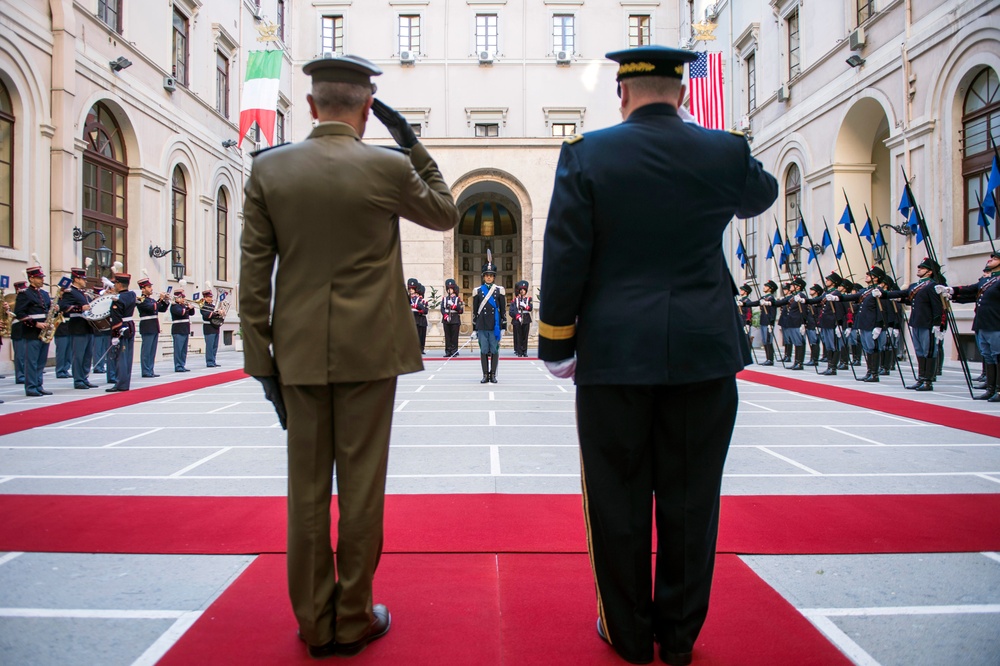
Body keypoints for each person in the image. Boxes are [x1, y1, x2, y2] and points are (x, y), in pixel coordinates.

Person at [537, 46, 778, 665]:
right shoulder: (722, 151)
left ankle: (626, 633)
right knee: (692, 498)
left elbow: (566, 255)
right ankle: (677, 637)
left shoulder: (586, 153)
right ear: (683, 93)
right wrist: (719, 147)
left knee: (617, 497)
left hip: (615, 353)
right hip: (703, 350)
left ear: (622, 93)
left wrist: (558, 343)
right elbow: (761, 195)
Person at [239, 54, 458, 659]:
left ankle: (315, 622)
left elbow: (254, 274)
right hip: (371, 352)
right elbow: (446, 212)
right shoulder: (386, 166)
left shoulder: (270, 170)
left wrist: (262, 361)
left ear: (310, 106)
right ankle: (354, 616)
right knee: (361, 490)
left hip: (299, 354)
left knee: (305, 492)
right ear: (367, 108)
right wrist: (409, 141)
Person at [873, 257, 944, 391]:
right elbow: (903, 294)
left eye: (922, 268)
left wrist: (937, 323)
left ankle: (928, 381)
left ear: (929, 272)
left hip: (927, 323)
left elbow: (937, 306)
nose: (919, 269)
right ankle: (921, 378)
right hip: (916, 321)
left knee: (928, 351)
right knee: (919, 351)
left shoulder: (932, 286)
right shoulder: (914, 286)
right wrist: (885, 294)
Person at [937, 251, 1000, 401]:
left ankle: (999, 389)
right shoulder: (985, 281)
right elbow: (971, 289)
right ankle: (990, 388)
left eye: (995, 258)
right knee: (988, 356)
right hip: (982, 323)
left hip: (996, 323)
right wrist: (951, 291)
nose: (990, 260)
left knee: (998, 357)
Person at [14, 265, 54, 397]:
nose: (42, 280)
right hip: (31, 332)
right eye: (39, 278)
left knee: (41, 361)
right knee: (31, 361)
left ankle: (38, 384)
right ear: (31, 278)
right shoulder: (25, 294)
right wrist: (36, 324)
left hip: (45, 332)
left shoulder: (44, 294)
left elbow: (48, 311)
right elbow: (19, 313)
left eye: (42, 277)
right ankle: (31, 387)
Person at [60, 267, 97, 389]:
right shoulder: (69, 292)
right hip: (78, 327)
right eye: (82, 279)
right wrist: (80, 308)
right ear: (76, 279)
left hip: (88, 326)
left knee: (88, 355)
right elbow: (64, 307)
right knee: (79, 355)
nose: (85, 281)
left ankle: (84, 377)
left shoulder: (83, 293)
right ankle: (78, 380)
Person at [472, 255, 506, 383]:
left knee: (494, 350)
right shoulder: (478, 291)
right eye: (486, 275)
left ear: (494, 277)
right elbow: (475, 312)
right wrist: (474, 328)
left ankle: (493, 375)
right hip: (482, 325)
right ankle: (485, 375)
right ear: (483, 276)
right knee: (484, 350)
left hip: (495, 326)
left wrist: (503, 327)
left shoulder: (499, 290)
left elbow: (503, 310)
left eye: (491, 275)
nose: (489, 277)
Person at [106, 273, 137, 392]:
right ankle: (125, 381)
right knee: (128, 357)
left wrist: (115, 334)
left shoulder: (118, 299)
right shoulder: (132, 295)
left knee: (121, 358)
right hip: (130, 326)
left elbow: (116, 318)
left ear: (119, 284)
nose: (114, 285)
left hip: (121, 328)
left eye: (115, 283)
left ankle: (121, 384)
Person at [136, 277, 169, 377]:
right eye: (149, 287)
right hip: (147, 326)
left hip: (154, 326)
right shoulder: (140, 299)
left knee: (152, 350)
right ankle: (146, 371)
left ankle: (150, 369)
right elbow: (152, 307)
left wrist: (165, 301)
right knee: (146, 350)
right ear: (143, 288)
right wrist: (160, 299)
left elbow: (161, 309)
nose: (151, 289)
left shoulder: (151, 299)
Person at [170, 290, 195, 372]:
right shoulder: (174, 306)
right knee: (178, 350)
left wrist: (191, 307)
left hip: (185, 329)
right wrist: (187, 307)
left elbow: (191, 313)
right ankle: (178, 366)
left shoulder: (183, 306)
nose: (183, 299)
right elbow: (181, 313)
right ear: (176, 298)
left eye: (183, 297)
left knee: (184, 350)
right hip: (178, 330)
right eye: (181, 297)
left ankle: (182, 364)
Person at [440, 278, 464, 357]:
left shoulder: (458, 299)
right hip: (446, 319)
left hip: (455, 319)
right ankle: (448, 351)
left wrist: (454, 306)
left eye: (451, 288)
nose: (449, 290)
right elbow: (442, 309)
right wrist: (445, 315)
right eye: (448, 289)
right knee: (447, 336)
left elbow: (460, 310)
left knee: (454, 336)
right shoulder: (444, 299)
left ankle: (454, 350)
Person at [10, 280, 28, 385]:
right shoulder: (12, 300)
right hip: (18, 330)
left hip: (27, 329)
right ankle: (20, 375)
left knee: (26, 355)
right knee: (20, 355)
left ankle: (26, 374)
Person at [509, 280, 533, 357]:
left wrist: (525, 306)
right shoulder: (515, 300)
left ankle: (524, 351)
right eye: (521, 290)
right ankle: (519, 351)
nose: (522, 291)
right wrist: (517, 316)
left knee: (525, 336)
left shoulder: (529, 299)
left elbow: (530, 308)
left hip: (526, 318)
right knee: (518, 336)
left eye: (524, 290)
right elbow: (512, 310)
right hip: (518, 319)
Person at [200, 289, 222, 367]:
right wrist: (216, 312)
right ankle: (209, 361)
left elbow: (217, 316)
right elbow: (207, 315)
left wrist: (221, 313)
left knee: (214, 346)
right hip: (208, 327)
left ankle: (213, 360)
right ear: (205, 298)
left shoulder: (213, 306)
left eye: (211, 297)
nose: (211, 298)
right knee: (209, 345)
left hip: (215, 327)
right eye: (209, 297)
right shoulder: (203, 306)